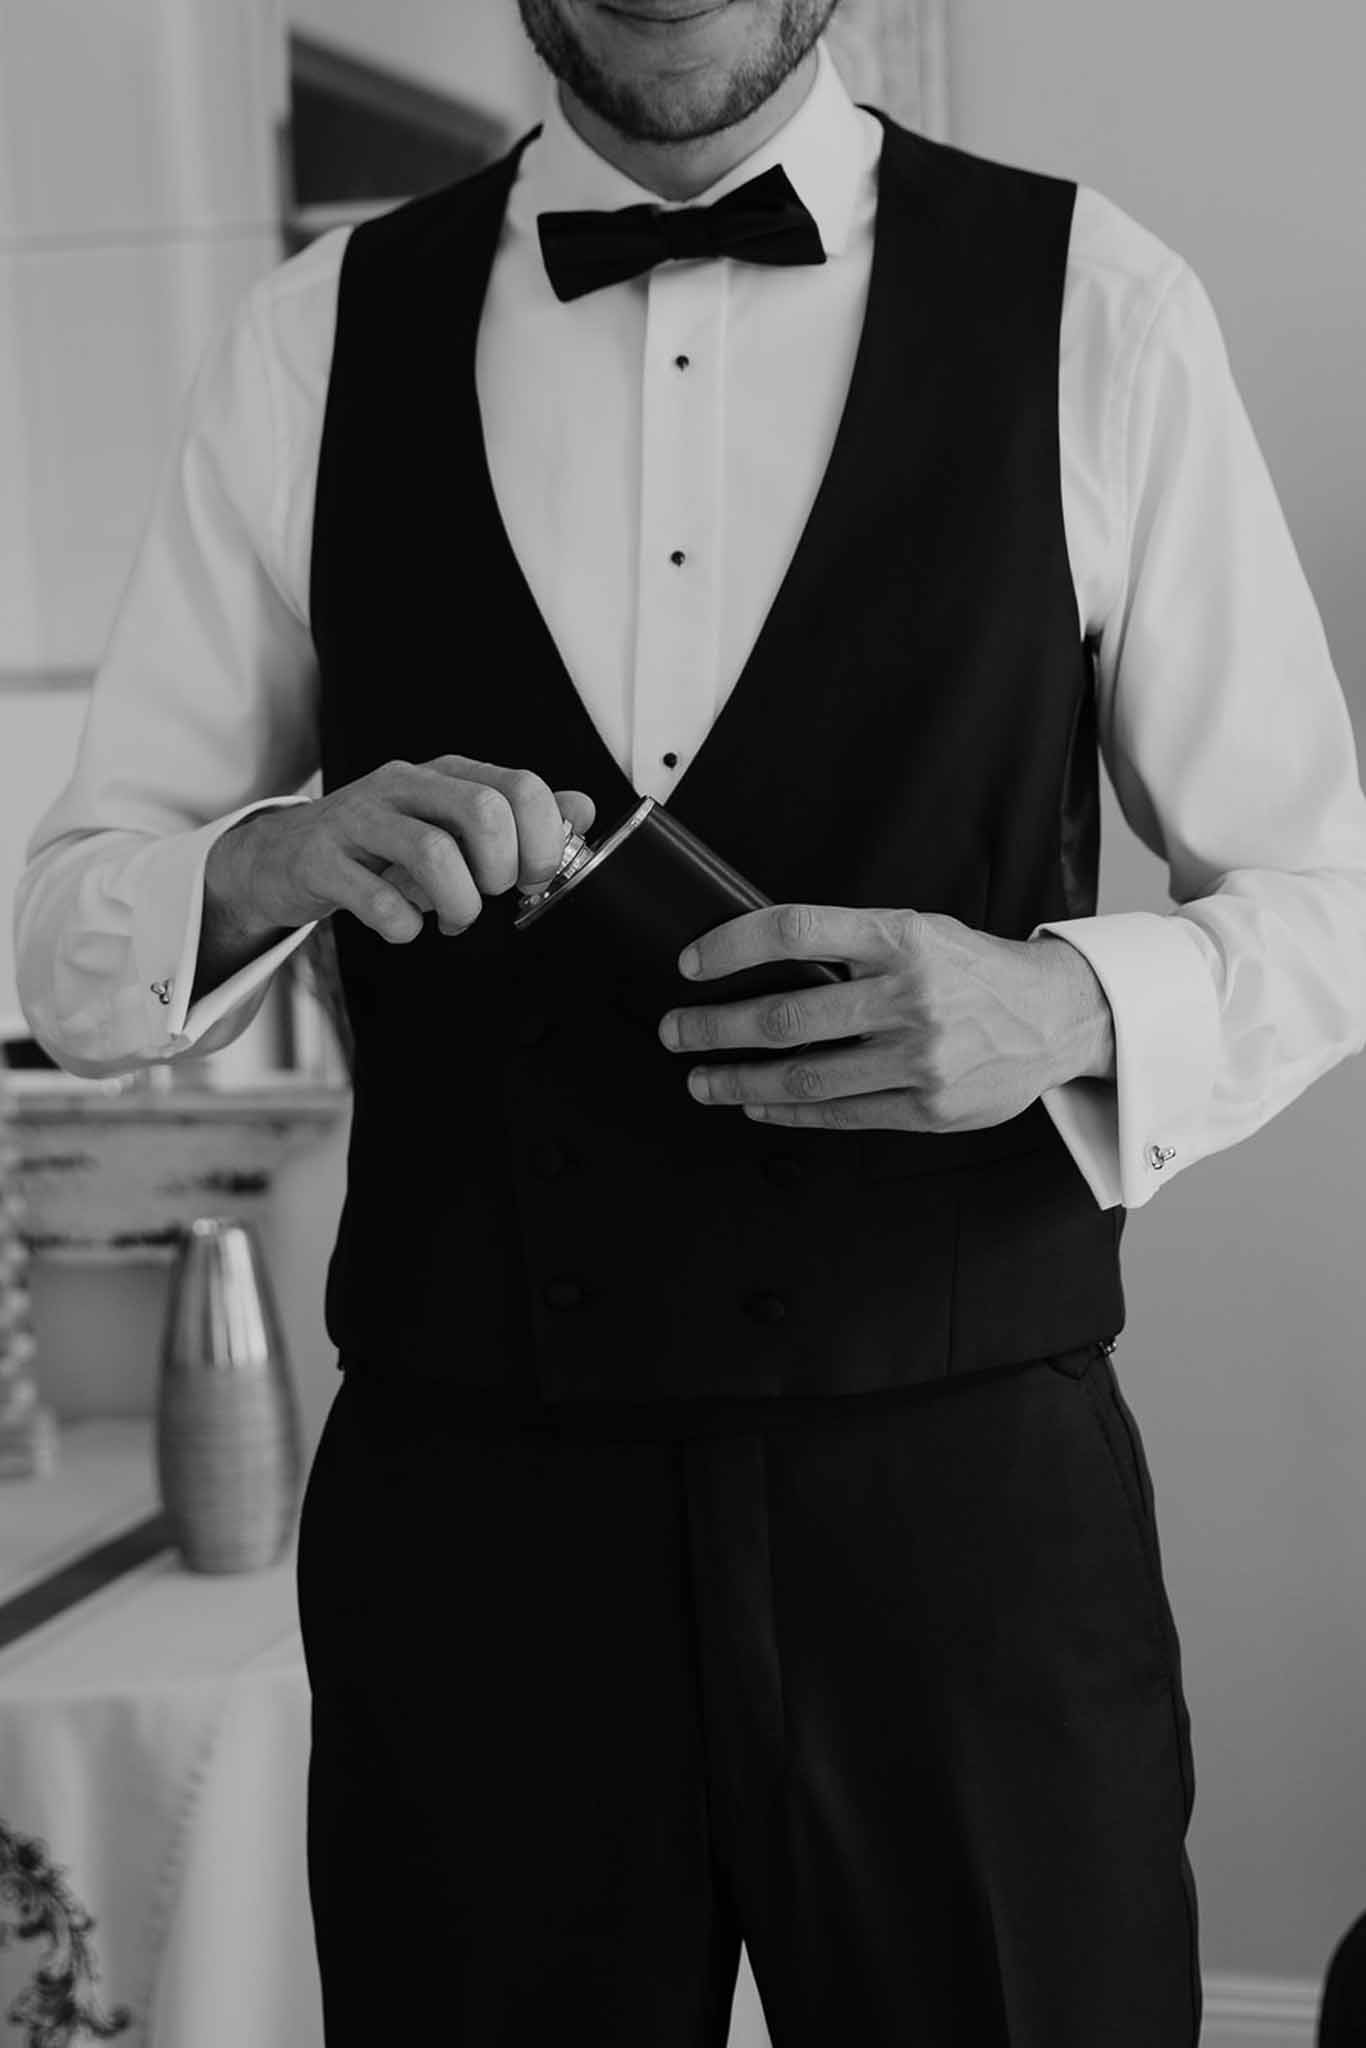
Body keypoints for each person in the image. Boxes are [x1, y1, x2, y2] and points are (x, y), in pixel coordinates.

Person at [13, 3, 1366, 2042]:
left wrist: (1061, 996)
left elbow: (1322, 896)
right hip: (474, 1536)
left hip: (959, 1508)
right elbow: (62, 938)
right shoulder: (310, 334)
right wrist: (269, 857)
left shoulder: (1098, 300)